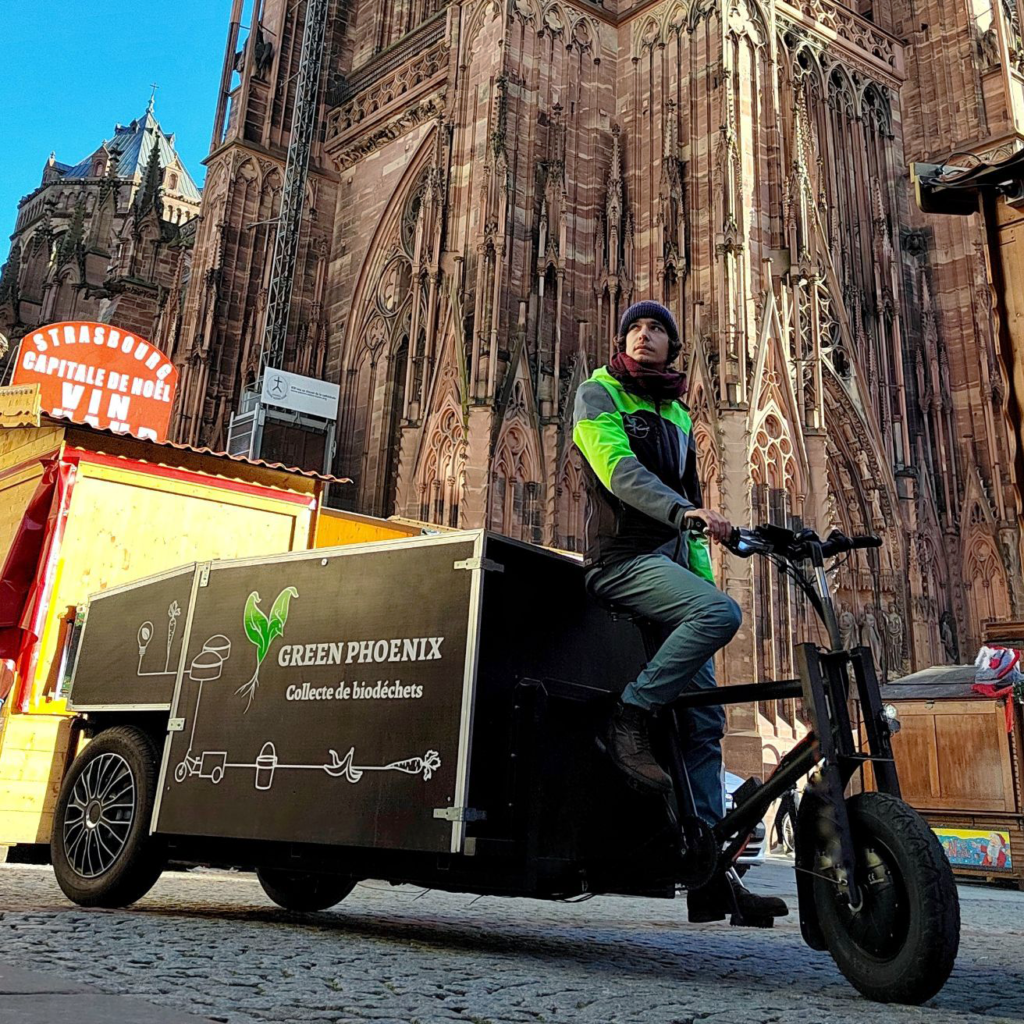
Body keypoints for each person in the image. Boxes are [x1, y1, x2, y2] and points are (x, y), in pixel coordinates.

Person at [572, 300, 788, 924]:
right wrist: (684, 515)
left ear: (673, 347)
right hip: (621, 560)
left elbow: (692, 511)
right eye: (635, 329)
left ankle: (710, 878)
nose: (645, 336)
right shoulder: (598, 394)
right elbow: (619, 473)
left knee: (704, 727)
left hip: (669, 572)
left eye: (657, 329)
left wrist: (706, 549)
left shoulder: (677, 414)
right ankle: (631, 715)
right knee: (721, 615)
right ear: (623, 341)